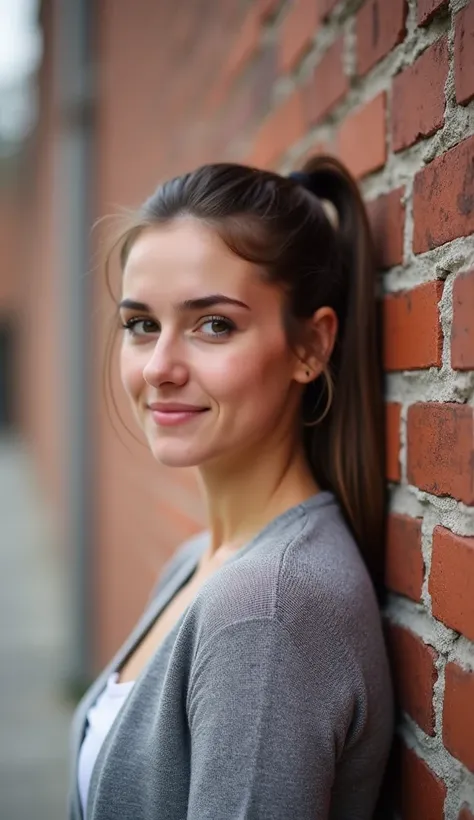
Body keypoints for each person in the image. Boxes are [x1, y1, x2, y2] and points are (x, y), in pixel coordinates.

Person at [69, 156, 394, 820]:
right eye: (141, 324)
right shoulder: (195, 563)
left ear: (311, 346)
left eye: (213, 324)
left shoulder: (266, 610)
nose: (160, 367)